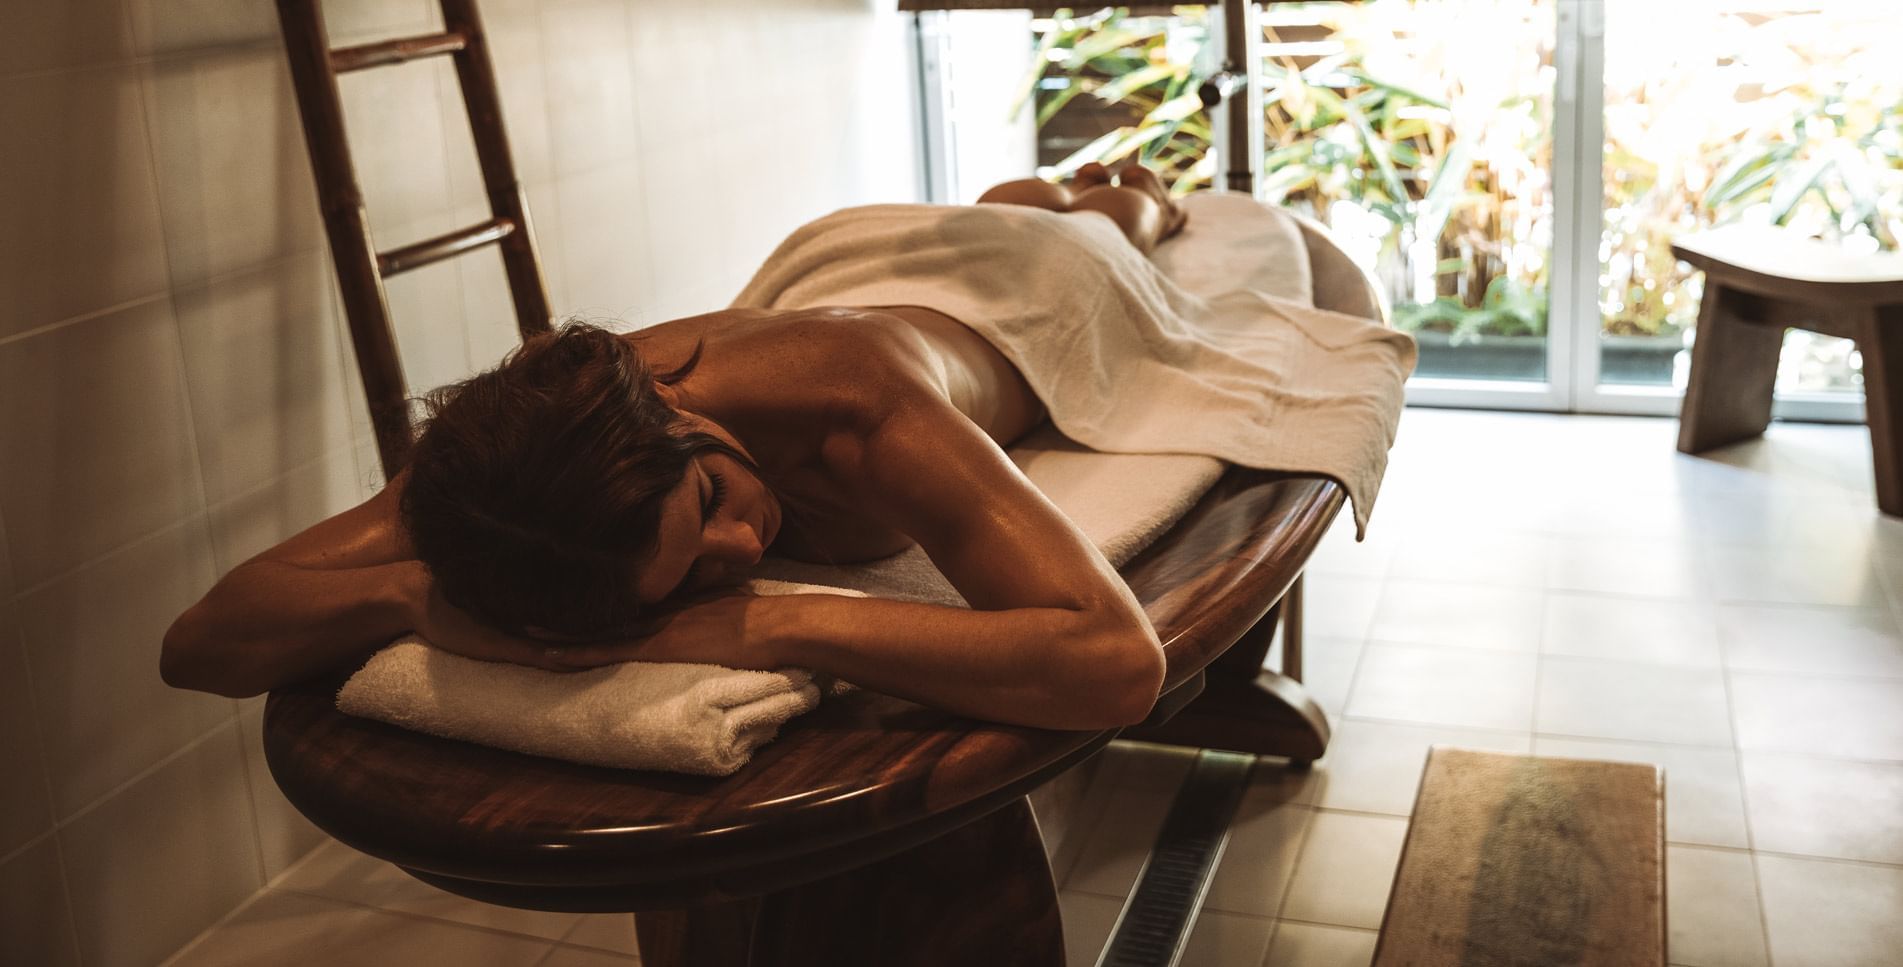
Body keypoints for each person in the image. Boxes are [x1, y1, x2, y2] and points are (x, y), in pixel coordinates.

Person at [161, 162, 1196, 731]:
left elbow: (1108, 662)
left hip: (1027, 294)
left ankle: (1125, 191)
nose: (743, 551)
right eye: (690, 575)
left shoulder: (856, 401)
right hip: (834, 261)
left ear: (672, 408)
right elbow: (200, 645)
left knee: (1096, 217)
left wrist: (781, 627)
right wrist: (407, 596)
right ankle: (1040, 191)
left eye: (708, 500)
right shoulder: (525, 458)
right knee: (1013, 204)